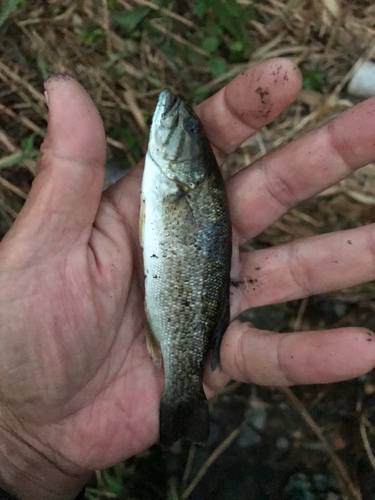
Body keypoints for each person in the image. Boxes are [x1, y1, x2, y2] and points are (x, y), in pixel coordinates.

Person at [0, 57, 374, 500]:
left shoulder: (179, 182)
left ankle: (182, 392)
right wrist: (18, 435)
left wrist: (23, 446)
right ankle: (182, 392)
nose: (177, 116)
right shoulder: (175, 181)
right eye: (188, 128)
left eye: (190, 130)